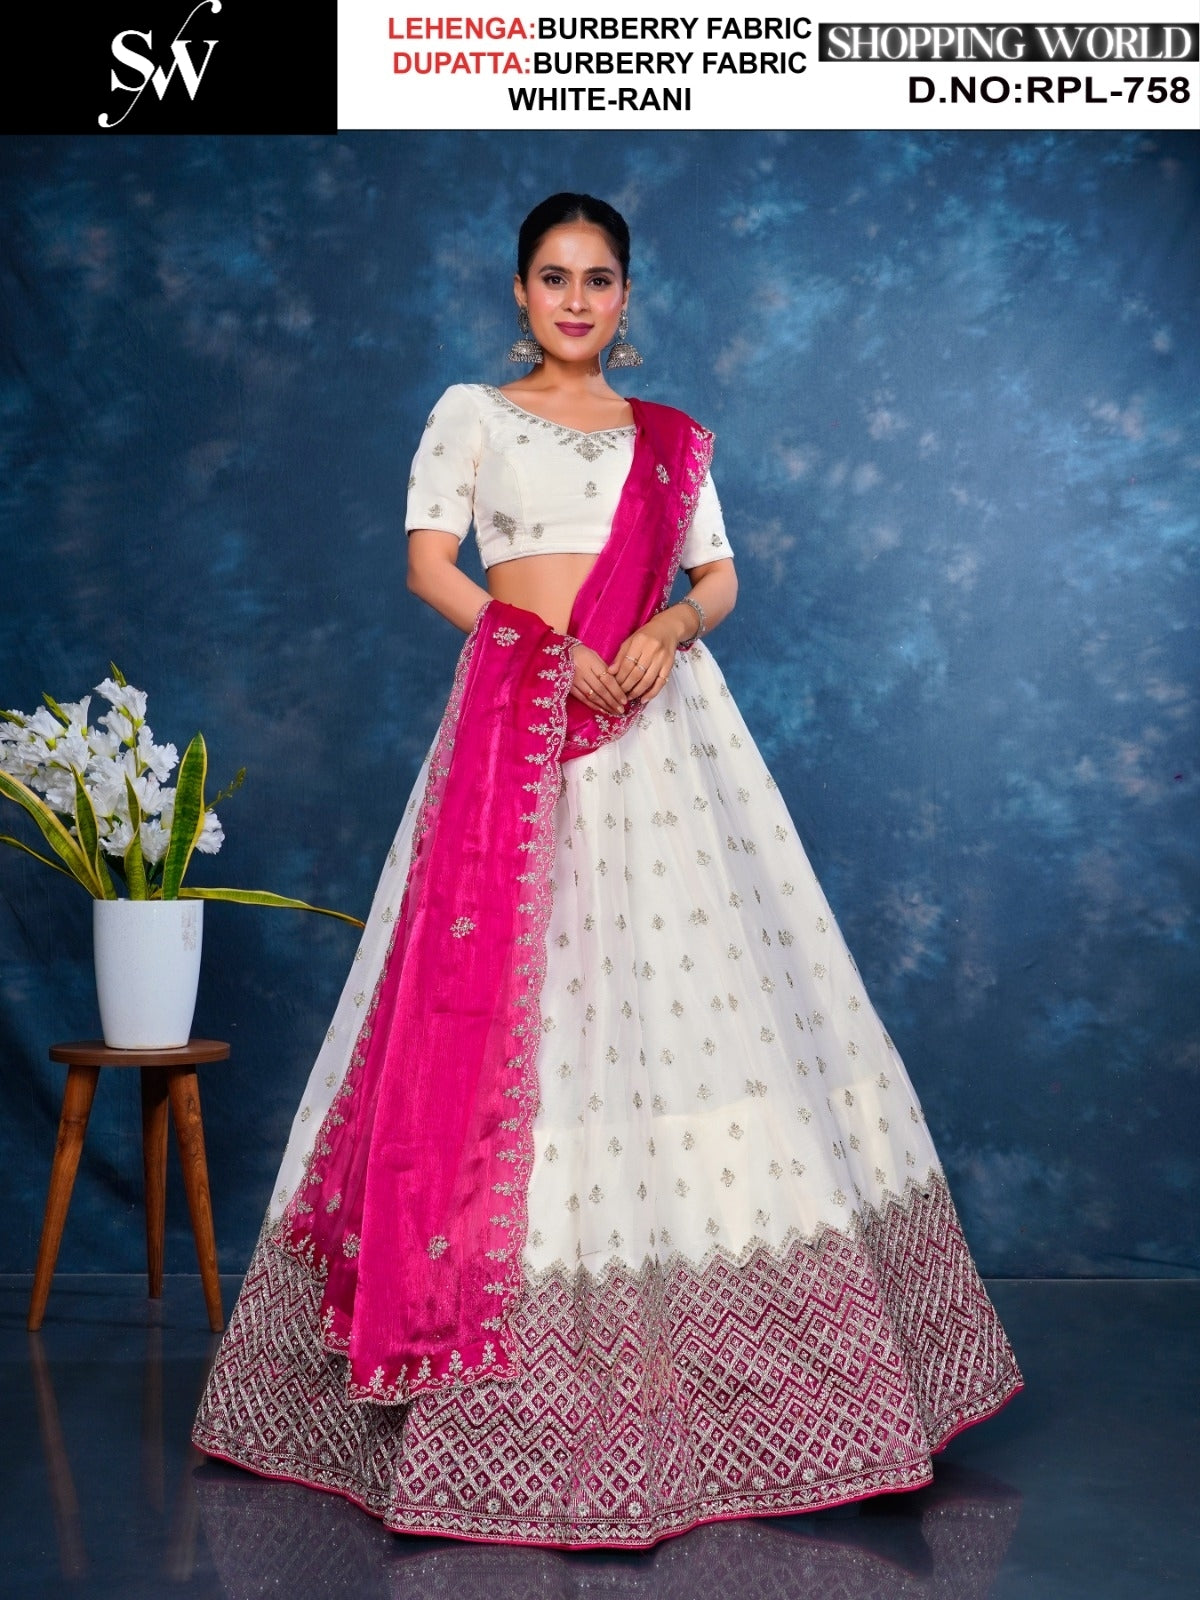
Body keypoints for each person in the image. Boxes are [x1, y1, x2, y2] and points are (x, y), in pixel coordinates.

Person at [193, 193, 1022, 1548]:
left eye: (598, 280)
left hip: (661, 730)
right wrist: (541, 646)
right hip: (516, 738)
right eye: (553, 277)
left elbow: (720, 576)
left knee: (682, 1003)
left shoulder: (669, 438)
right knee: (527, 1012)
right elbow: (428, 566)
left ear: (625, 298)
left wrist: (669, 630)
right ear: (520, 293)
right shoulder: (472, 412)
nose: (575, 300)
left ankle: (729, 1380)